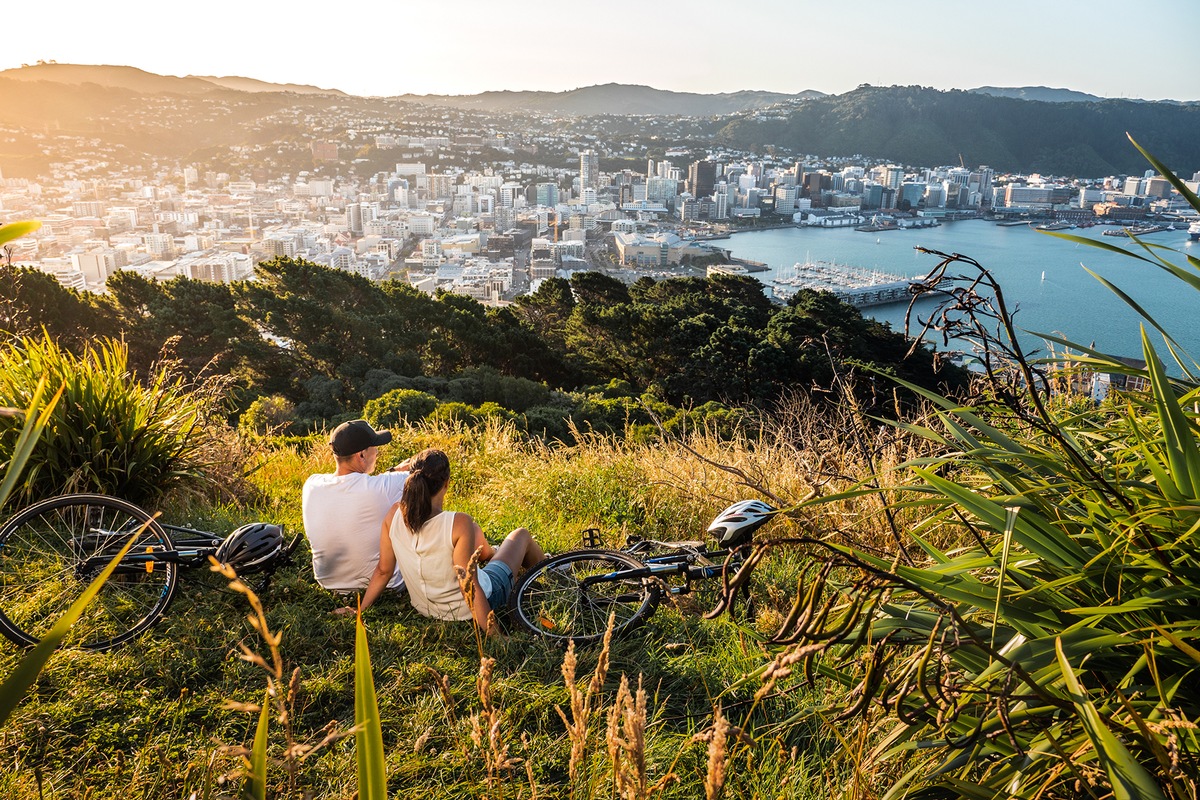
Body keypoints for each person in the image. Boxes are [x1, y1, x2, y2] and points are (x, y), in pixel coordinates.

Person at [354, 448, 544, 635]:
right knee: (520, 535)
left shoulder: (393, 514)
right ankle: (556, 570)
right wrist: (496, 636)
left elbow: (383, 571)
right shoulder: (459, 522)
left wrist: (360, 610)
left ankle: (497, 553)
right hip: (470, 608)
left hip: (425, 608)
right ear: (446, 483)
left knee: (481, 539)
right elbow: (468, 584)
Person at [302, 419, 411, 593]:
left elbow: (360, 486)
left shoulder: (312, 484)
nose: (377, 453)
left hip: (329, 583)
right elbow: (426, 470)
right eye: (375, 448)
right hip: (387, 585)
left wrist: (392, 472)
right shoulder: (385, 487)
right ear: (361, 455)